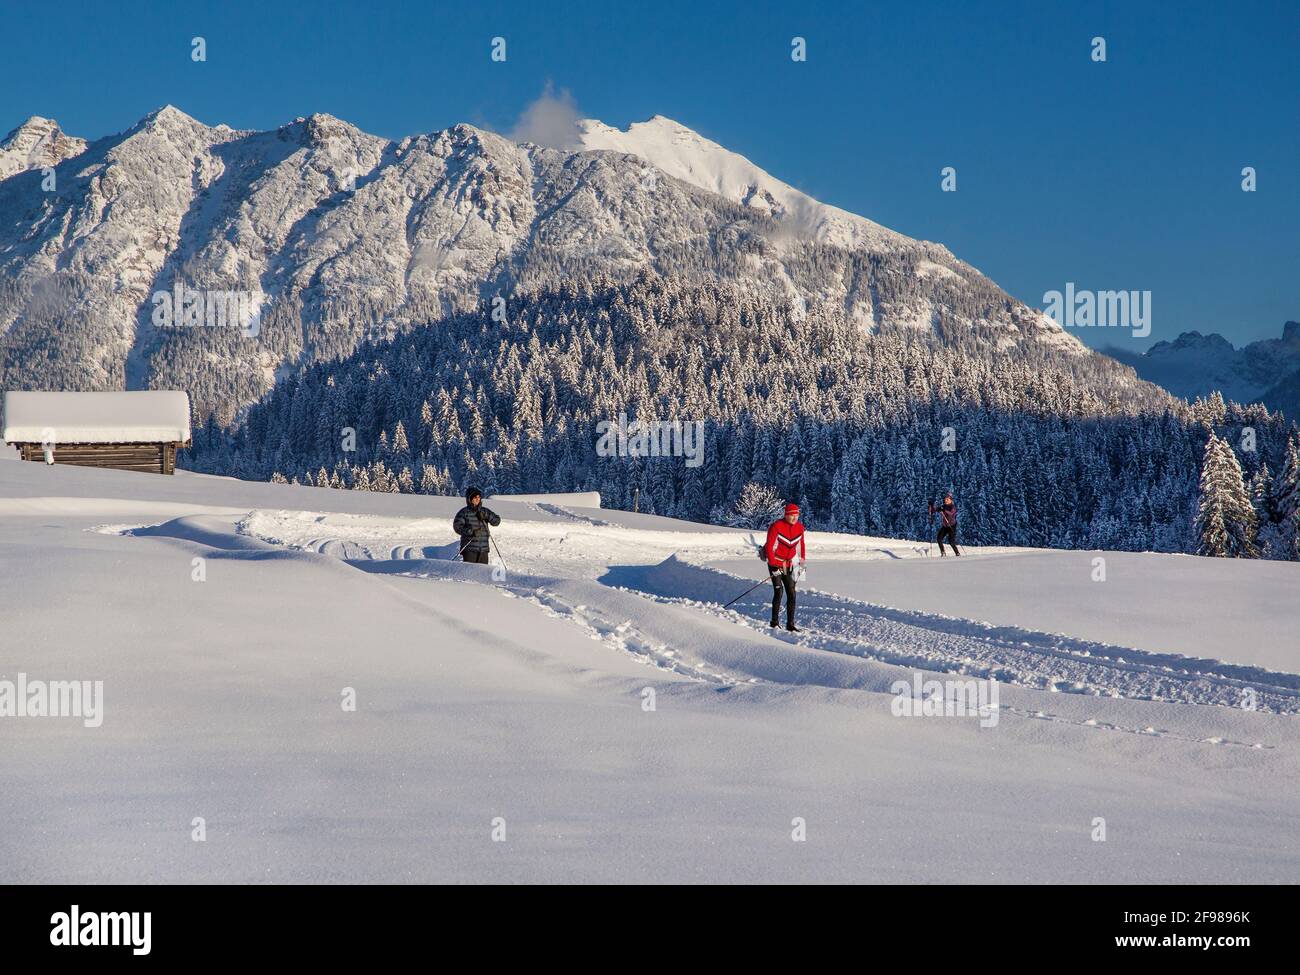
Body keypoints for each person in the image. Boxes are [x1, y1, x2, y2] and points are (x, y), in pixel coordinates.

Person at [764, 502, 806, 632]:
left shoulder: (799, 527)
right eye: (791, 515)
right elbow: (769, 547)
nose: (794, 518)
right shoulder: (776, 526)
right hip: (775, 563)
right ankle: (774, 622)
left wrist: (802, 563)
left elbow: (801, 546)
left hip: (788, 564)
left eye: (796, 515)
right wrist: (773, 566)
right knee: (779, 591)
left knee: (792, 593)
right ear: (786, 515)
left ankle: (790, 624)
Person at [453, 486, 500, 564]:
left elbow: (497, 521)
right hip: (469, 549)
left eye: (479, 497)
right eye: (475, 497)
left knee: (482, 574)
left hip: (483, 550)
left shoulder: (484, 511)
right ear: (469, 499)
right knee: (469, 573)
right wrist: (470, 531)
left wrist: (487, 516)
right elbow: (457, 527)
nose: (477, 499)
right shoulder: (464, 512)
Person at [934, 492, 960, 556]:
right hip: (945, 526)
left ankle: (957, 553)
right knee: (939, 538)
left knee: (951, 541)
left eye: (947, 499)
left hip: (952, 526)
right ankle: (943, 552)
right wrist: (933, 507)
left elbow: (951, 514)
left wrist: (944, 510)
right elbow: (936, 509)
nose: (946, 500)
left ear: (951, 500)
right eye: (945, 499)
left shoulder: (952, 507)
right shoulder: (943, 506)